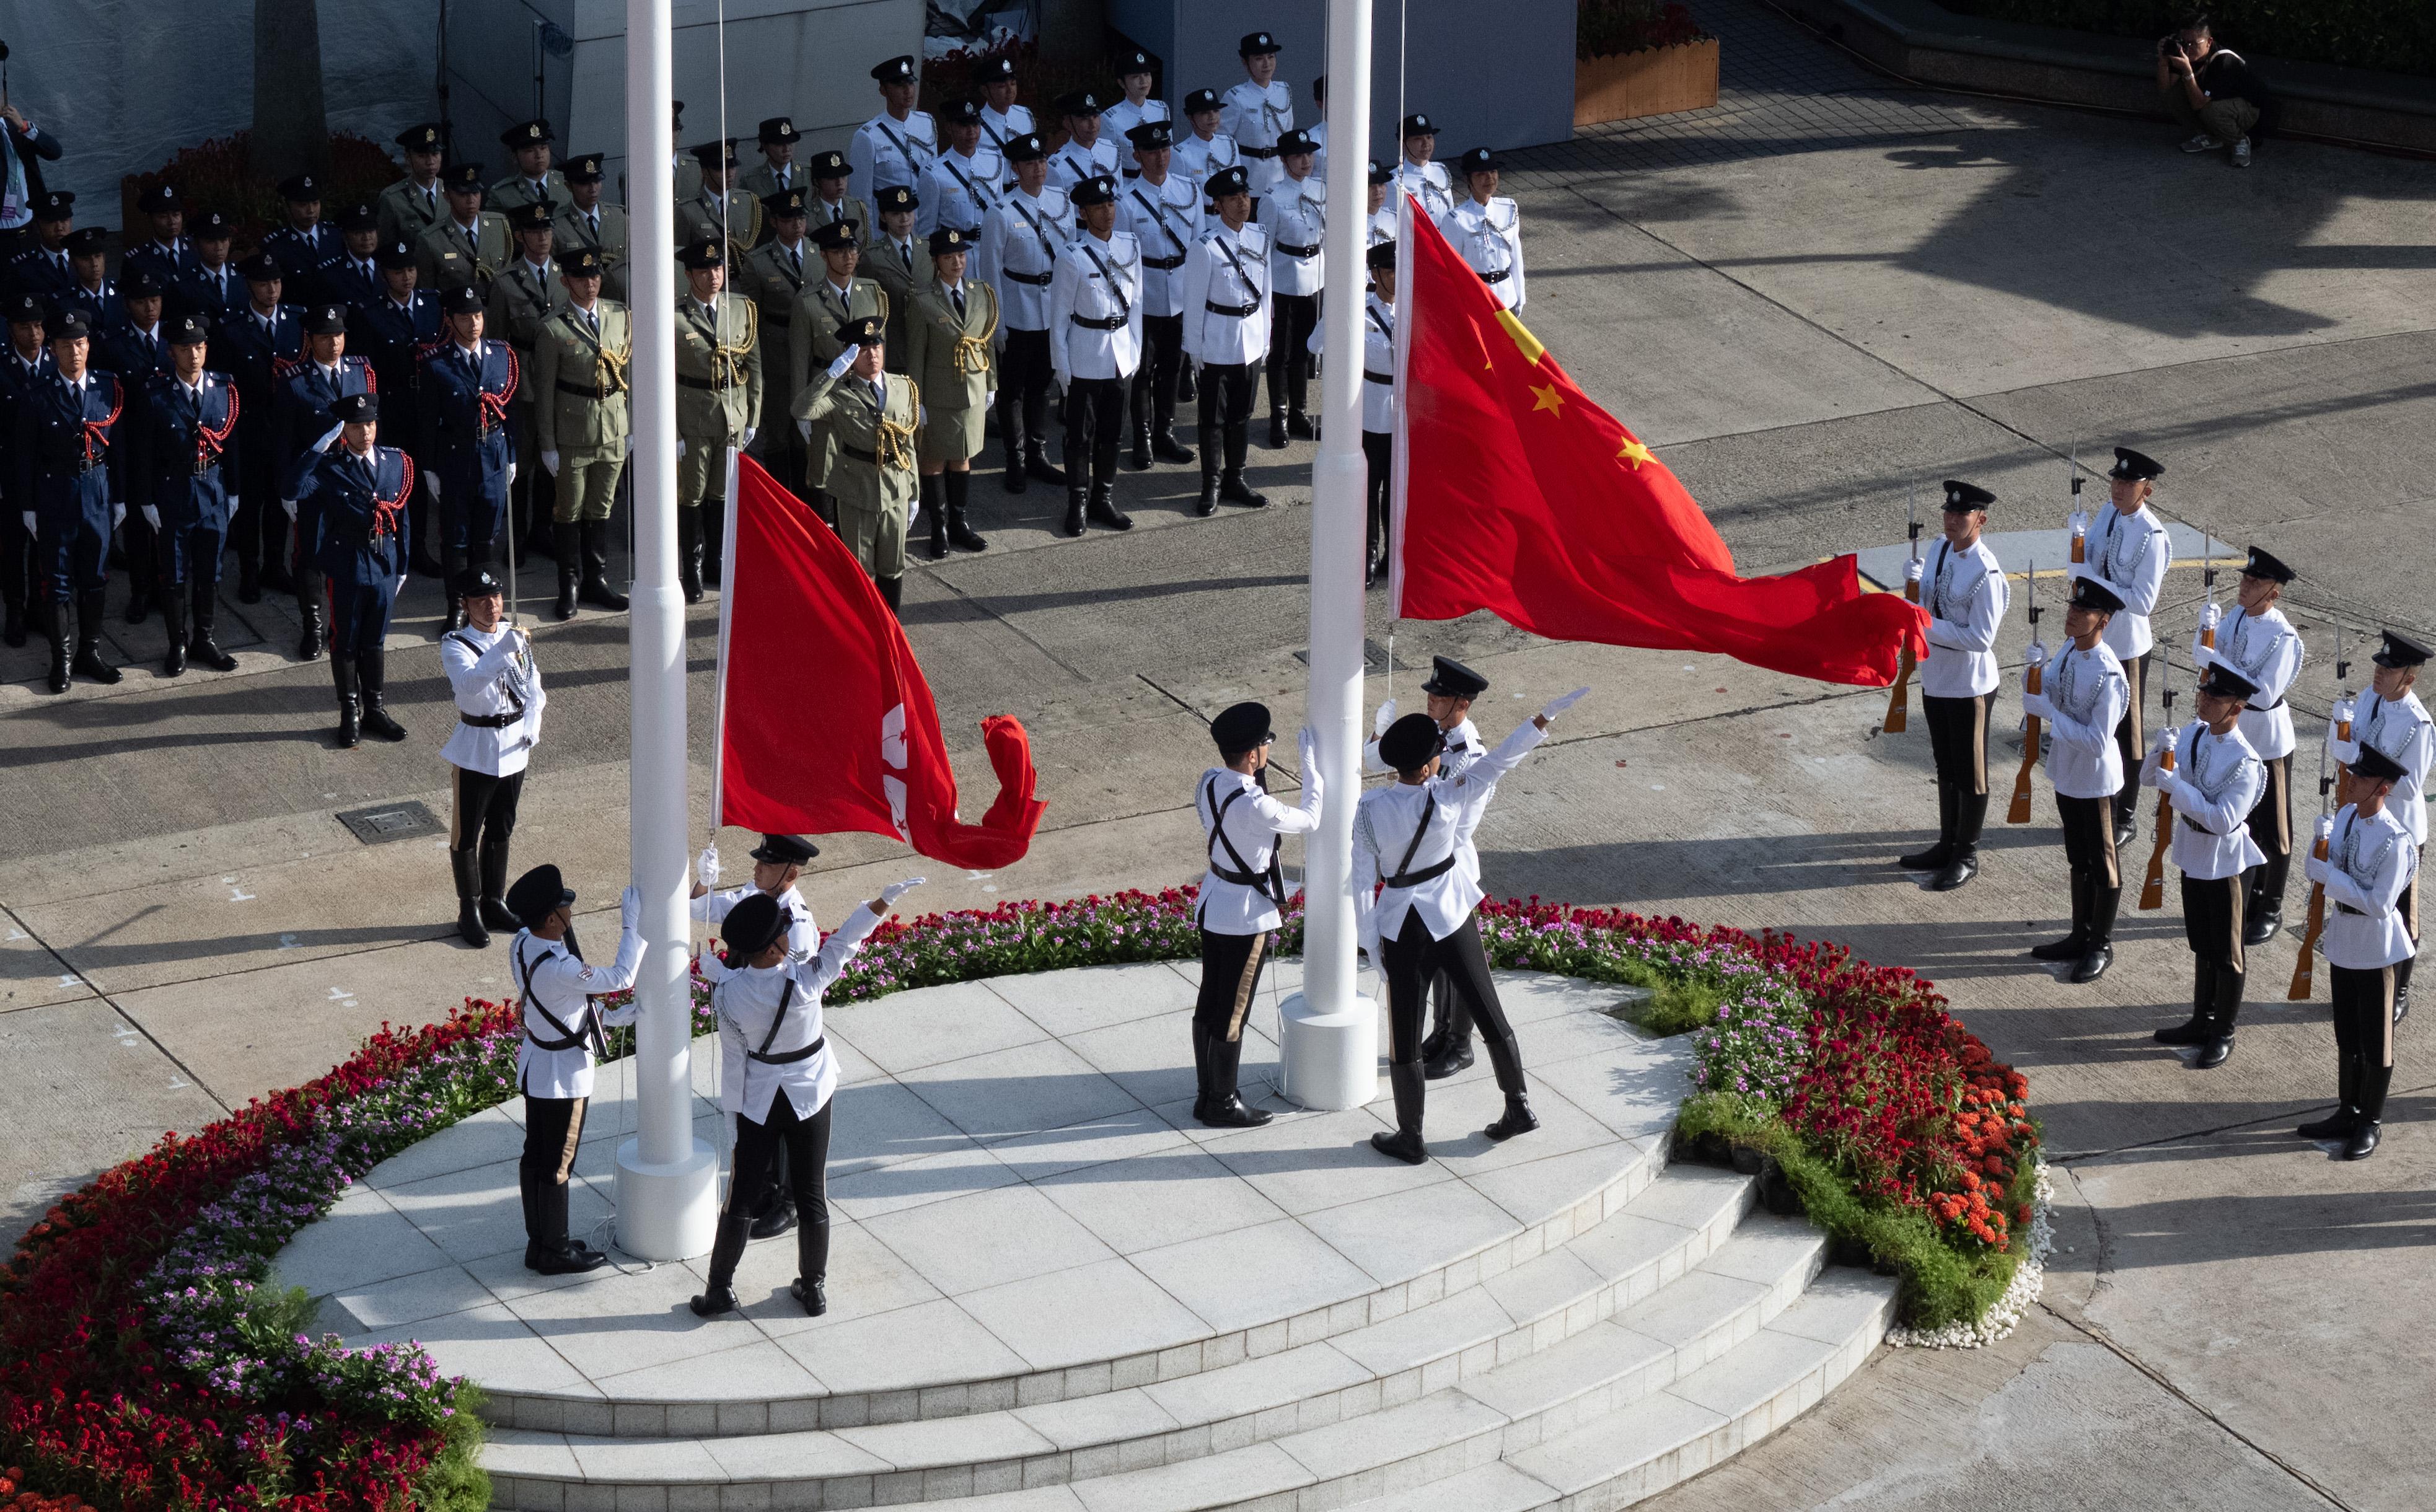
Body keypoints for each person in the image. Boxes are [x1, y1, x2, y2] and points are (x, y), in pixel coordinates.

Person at [1355, 690, 1586, 1163]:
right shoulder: (1448, 795)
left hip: (1403, 926)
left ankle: (1410, 1136)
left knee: (1404, 1033)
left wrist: (1370, 945)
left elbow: (1359, 884)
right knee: (1488, 1011)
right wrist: (1543, 718)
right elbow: (1501, 761)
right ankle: (1518, 1106)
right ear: (1428, 766)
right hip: (1451, 913)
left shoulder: (1370, 810)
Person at [691, 879, 926, 1318]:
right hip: (810, 1093)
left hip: (760, 1099)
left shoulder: (729, 993)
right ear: (776, 948)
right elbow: (846, 941)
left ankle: (719, 1289)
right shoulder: (806, 980)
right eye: (783, 932)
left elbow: (734, 1057)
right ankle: (813, 1288)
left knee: (740, 1197)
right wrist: (884, 899)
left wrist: (733, 1119)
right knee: (811, 1191)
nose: (788, 935)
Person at [506, 863, 646, 1275]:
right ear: (551, 920)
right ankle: (556, 1251)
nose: (571, 916)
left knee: (535, 1156)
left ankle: (540, 1243)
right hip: (563, 1075)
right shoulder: (561, 966)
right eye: (565, 910)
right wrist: (631, 925)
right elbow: (621, 976)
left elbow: (559, 1005)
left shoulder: (520, 944)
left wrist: (611, 1017)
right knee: (558, 1164)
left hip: (537, 1066)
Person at [1194, 705, 1321, 1128]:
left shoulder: (1209, 781)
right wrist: (1310, 766)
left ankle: (1206, 1092)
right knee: (1232, 1011)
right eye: (1264, 744)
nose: (1267, 749)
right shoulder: (1258, 806)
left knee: (1210, 1000)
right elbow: (1311, 818)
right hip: (1244, 915)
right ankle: (1223, 1101)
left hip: (1214, 901)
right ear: (1252, 755)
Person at [690, 833, 823, 1241]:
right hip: (750, 1035)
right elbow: (699, 908)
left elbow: (784, 992)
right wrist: (703, 879)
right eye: (759, 862)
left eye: (766, 865)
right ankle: (764, 1191)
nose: (756, 869)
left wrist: (725, 977)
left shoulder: (795, 925)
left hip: (779, 1042)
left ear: (791, 873)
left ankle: (784, 1204)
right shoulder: (756, 896)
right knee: (758, 1114)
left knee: (783, 1118)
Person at [1365, 655, 1490, 1076]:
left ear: (1463, 704)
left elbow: (1460, 825)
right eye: (1431, 694)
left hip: (1447, 869)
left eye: (1440, 697)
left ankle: (1459, 1044)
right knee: (1436, 966)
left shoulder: (1469, 755)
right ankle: (1440, 1035)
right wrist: (1380, 730)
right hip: (1425, 867)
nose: (1431, 700)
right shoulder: (1432, 736)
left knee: (1457, 969)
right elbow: (1379, 759)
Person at [2140, 664, 2266, 1069]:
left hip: (2225, 861)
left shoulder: (2246, 762)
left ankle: (2223, 1030)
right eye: (2203, 694)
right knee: (2201, 943)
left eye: (2214, 698)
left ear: (2237, 707)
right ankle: (2200, 1019)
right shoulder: (2193, 734)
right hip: (2192, 850)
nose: (2204, 701)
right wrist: (2159, 750)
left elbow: (2223, 819)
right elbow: (2149, 778)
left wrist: (2177, 786)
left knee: (2227, 953)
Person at [2300, 743, 2414, 1160]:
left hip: (2375, 947)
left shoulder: (2396, 840)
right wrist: (2320, 849)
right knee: (2346, 1035)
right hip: (2344, 939)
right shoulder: (2346, 816)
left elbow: (2382, 904)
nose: (2350, 780)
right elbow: (2332, 869)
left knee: (2375, 1039)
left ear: (2382, 789)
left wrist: (2330, 876)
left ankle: (2370, 1123)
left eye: (2362, 778)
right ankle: (2347, 1110)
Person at [1898, 479, 2010, 892]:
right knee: (1944, 764)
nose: (1950, 520)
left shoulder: (1988, 572)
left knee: (1971, 772)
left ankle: (1967, 853)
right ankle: (1946, 843)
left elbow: (1980, 639)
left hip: (1969, 686)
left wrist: (1922, 622)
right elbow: (1929, 599)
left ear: (1980, 520)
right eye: (1947, 512)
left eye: (1960, 515)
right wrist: (1914, 586)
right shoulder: (1939, 549)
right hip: (1936, 677)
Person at [2193, 547, 2304, 944]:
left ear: (2274, 593)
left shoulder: (2284, 636)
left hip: (2267, 737)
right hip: (2236, 734)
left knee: (2274, 829)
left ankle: (2271, 905)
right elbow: (2214, 663)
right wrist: (2204, 640)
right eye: (2245, 579)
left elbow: (2263, 693)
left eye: (2255, 582)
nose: (2245, 586)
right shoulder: (2236, 616)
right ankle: (2247, 896)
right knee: (2244, 822)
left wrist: (2216, 661)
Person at [289, 392, 412, 746]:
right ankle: (349, 713)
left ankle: (375, 709)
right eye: (357, 427)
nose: (366, 433)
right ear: (344, 431)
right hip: (348, 565)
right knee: (345, 642)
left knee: (375, 641)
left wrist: (402, 565)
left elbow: (402, 516)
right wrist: (318, 449)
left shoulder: (396, 462)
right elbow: (292, 487)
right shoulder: (331, 468)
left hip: (385, 565)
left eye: (371, 425)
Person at [2024, 579, 2132, 982]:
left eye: (2082, 612)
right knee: (2077, 858)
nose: (2071, 614)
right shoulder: (2070, 650)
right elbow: (2051, 691)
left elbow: (2097, 739)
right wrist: (2034, 672)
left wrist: (2050, 714)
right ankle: (2078, 934)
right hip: (2067, 773)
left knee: (2103, 863)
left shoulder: (2109, 676)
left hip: (2096, 780)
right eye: (2072, 607)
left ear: (2102, 621)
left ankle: (2099, 943)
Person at [17, 310, 126, 693]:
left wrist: (121, 499)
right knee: (58, 583)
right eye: (65, 345)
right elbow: (25, 456)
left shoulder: (107, 388)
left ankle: (89, 654)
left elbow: (120, 450)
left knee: (94, 578)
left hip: (97, 491)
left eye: (79, 344)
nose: (74, 352)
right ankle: (61, 660)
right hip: (55, 495)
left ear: (88, 346)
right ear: (53, 350)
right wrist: (29, 507)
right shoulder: (38, 396)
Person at [2070, 446, 2173, 846]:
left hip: (2128, 644)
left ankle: (2125, 813)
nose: (2117, 488)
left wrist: (2095, 585)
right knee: (2093, 720)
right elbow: (2087, 565)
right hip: (2096, 637)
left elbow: (2143, 600)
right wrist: (2077, 543)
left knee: (2127, 732)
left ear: (2146, 491)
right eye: (2115, 480)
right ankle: (2095, 797)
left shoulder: (2152, 535)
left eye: (2127, 483)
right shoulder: (2105, 515)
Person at [2329, 630, 2432, 1020]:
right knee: (2357, 895)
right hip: (2363, 817)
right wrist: (2339, 729)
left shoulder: (2419, 724)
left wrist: (2355, 753)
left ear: (2409, 677)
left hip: (2401, 831)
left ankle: (2399, 989)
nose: (2378, 673)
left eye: (2388, 670)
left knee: (2402, 913)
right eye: (2378, 664)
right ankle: (2360, 971)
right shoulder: (2371, 699)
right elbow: (2351, 743)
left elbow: (2409, 787)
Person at [441, 565, 547, 943]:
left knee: (502, 827)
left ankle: (493, 901)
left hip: (515, 744)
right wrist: (503, 651)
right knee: (466, 833)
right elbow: (468, 686)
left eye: (497, 597)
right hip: (478, 749)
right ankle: (468, 908)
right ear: (466, 605)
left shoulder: (514, 637)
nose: (492, 606)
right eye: (482, 600)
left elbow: (534, 688)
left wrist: (531, 728)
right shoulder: (455, 643)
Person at [134, 314, 240, 677]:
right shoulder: (157, 396)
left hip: (212, 492)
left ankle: (204, 640)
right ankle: (177, 643)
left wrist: (235, 491)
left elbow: (233, 446)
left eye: (199, 347)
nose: (193, 355)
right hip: (173, 493)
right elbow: (144, 451)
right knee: (175, 574)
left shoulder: (224, 390)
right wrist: (146, 499)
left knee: (210, 572)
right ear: (171, 353)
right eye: (185, 348)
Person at [532, 248, 631, 618]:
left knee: (601, 508)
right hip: (573, 431)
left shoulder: (619, 315)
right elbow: (544, 391)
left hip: (614, 429)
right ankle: (569, 584)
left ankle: (597, 579)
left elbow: (629, 374)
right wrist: (548, 444)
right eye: (580, 278)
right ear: (565, 282)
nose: (590, 284)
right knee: (569, 511)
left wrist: (630, 424)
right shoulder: (553, 327)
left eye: (595, 277)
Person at [794, 314, 918, 612]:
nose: (872, 354)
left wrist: (914, 490)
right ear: (850, 355)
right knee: (860, 571)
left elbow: (908, 443)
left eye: (876, 346)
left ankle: (891, 632)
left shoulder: (903, 387)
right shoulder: (839, 394)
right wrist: (833, 373)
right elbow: (801, 409)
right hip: (856, 491)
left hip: (896, 490)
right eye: (862, 349)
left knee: (893, 567)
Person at [276, 302, 376, 662]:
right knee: (311, 554)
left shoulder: (360, 373)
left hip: (352, 476)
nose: (333, 344)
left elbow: (371, 426)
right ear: (311, 340)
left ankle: (344, 621)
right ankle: (313, 627)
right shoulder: (295, 382)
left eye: (338, 336)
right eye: (325, 338)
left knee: (354, 547)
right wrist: (288, 488)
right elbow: (284, 441)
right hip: (317, 480)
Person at [974, 133, 1071, 496]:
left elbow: (1071, 257)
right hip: (1017, 308)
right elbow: (990, 270)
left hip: (1052, 308)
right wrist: (995, 320)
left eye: (1042, 161)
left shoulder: (1060, 201)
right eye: (1030, 163)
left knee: (1040, 388)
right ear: (1015, 169)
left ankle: (1038, 454)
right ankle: (1014, 458)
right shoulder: (1001, 212)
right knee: (1012, 390)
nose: (1039, 168)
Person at [1047, 174, 1141, 538]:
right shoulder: (1072, 257)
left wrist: (1134, 354)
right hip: (1085, 352)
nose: (1107, 212)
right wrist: (1063, 367)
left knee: (1113, 434)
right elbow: (1058, 319)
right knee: (1079, 436)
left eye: (1111, 204)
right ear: (1083, 213)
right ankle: (1078, 501)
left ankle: (1103, 498)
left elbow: (1138, 306)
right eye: (1099, 207)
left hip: (1121, 355)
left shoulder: (1130, 246)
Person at [419, 285, 521, 613]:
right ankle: (458, 607)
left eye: (477, 316)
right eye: (465, 317)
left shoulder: (502, 355)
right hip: (456, 457)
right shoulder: (437, 363)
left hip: (493, 455)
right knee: (456, 538)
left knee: (486, 536)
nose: (474, 323)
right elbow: (427, 420)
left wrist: (513, 455)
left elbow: (510, 412)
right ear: (451, 321)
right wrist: (429, 467)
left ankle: (486, 603)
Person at [1179, 165, 1270, 517]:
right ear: (1217, 205)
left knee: (1242, 415)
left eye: (1245, 195)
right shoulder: (1205, 247)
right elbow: (1193, 301)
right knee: (1212, 419)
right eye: (1233, 198)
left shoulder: (1259, 237)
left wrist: (1265, 336)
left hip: (1250, 337)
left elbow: (1267, 292)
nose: (1242, 202)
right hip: (1217, 339)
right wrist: (1194, 349)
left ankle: (1236, 478)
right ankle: (1211, 484)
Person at [674, 238, 760, 600]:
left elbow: (753, 365)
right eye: (706, 270)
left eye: (719, 268)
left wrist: (753, 414)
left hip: (732, 414)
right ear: (690, 274)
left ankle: (716, 562)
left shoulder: (741, 309)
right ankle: (691, 568)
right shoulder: (676, 316)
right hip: (693, 416)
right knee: (692, 494)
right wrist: (673, 429)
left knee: (722, 492)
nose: (714, 276)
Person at [352, 239, 445, 576]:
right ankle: (396, 546)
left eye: (410, 270)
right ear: (384, 275)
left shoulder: (433, 305)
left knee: (425, 476)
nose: (406, 277)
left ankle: (419, 546)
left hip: (429, 404)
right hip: (394, 406)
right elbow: (366, 369)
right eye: (398, 271)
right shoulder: (371, 313)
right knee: (398, 481)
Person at [903, 225, 995, 558]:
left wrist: (992, 383)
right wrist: (918, 401)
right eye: (949, 257)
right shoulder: (923, 300)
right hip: (939, 391)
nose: (957, 262)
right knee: (934, 458)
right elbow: (916, 354)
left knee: (963, 455)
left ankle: (960, 522)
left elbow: (986, 343)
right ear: (935, 261)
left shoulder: (980, 292)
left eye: (961, 255)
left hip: (973, 387)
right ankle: (939, 527)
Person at [216, 253, 304, 604]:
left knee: (279, 501)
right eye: (264, 283)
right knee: (250, 504)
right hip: (249, 429)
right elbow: (225, 387)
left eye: (277, 282)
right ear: (249, 286)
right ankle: (250, 570)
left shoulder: (296, 322)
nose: (272, 290)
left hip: (285, 430)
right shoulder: (231, 328)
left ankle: (274, 565)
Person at [788, 219, 884, 525]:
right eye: (839, 251)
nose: (848, 256)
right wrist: (801, 411)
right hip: (828, 394)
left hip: (863, 395)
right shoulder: (808, 301)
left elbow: (881, 350)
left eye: (852, 248)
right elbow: (799, 360)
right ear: (823, 255)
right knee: (823, 469)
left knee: (862, 463)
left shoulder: (872, 293)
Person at [486, 204, 566, 563]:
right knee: (522, 464)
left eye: (547, 230)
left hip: (560, 380)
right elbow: (497, 341)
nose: (543, 237)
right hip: (523, 381)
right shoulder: (506, 282)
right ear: (520, 236)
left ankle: (542, 530)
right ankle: (516, 539)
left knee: (553, 460)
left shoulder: (565, 277)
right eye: (535, 231)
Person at [1119, 120, 1199, 472]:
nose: (1160, 157)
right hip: (1144, 293)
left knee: (1172, 367)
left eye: (1165, 149)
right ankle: (1143, 437)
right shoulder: (1125, 200)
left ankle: (1166, 432)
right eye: (1151, 152)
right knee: (1143, 370)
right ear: (1137, 156)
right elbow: (1121, 256)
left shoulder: (1189, 191)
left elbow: (1197, 247)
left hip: (1180, 291)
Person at [105, 271, 175, 628]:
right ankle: (140, 590)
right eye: (141, 302)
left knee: (168, 521)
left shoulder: (177, 339)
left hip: (171, 446)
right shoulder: (113, 344)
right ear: (127, 305)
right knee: (137, 524)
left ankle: (167, 587)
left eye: (155, 301)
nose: (150, 309)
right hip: (133, 446)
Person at [1257, 130, 1325, 449]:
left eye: (1309, 155)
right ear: (1284, 161)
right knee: (1281, 354)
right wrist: (1265, 293)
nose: (1306, 161)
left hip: (1314, 277)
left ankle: (1299, 412)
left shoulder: (1322, 189)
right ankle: (1278, 417)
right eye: (1298, 156)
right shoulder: (1273, 198)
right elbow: (1264, 248)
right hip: (1285, 279)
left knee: (1305, 349)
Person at [1336, 240, 1395, 584]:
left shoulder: (1411, 308)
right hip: (1371, 410)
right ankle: (1369, 552)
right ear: (1375, 274)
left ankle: (1393, 553)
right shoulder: (1360, 311)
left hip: (1402, 414)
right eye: (1389, 271)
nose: (1396, 277)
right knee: (1369, 486)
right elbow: (1316, 344)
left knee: (1396, 488)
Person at [0, 292, 54, 648]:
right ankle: (15, 612)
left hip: (47, 475)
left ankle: (39, 608)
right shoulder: (2, 368)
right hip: (9, 477)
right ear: (11, 330)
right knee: (11, 547)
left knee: (44, 547)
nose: (34, 334)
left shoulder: (56, 365)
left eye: (38, 326)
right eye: (25, 327)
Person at [2158, 14, 2271, 170]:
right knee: (2174, 95)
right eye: (2184, 42)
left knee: (2211, 110)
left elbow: (2199, 104)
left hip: (2248, 110)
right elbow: (2166, 89)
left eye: (2193, 44)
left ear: (2209, 42)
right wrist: (2164, 61)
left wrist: (2187, 71)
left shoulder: (2223, 61)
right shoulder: (2184, 52)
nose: (2188, 49)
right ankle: (2209, 136)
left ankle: (2240, 141)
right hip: (2217, 105)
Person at [1438, 147, 1525, 312]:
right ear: (1468, 179)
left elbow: (1516, 256)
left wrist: (1520, 298)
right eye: (1481, 174)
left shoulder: (1509, 208)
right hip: (1476, 301)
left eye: (1493, 171)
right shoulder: (1457, 219)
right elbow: (1450, 270)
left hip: (1507, 298)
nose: (1489, 178)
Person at [861, 183, 931, 374]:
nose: (904, 219)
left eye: (909, 212)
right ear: (883, 216)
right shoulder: (872, 257)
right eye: (896, 213)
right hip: (893, 346)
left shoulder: (927, 250)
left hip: (928, 346)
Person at [850, 55, 938, 203]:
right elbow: (861, 196)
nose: (907, 90)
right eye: (899, 85)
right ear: (883, 90)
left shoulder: (927, 122)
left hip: (923, 216)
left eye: (910, 83)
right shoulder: (868, 135)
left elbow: (935, 176)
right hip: (889, 220)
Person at [417, 162, 511, 301]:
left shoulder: (499, 225)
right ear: (447, 196)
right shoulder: (431, 239)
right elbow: (427, 293)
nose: (471, 200)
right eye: (463, 194)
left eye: (475, 193)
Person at [1223, 31, 1294, 200]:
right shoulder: (1236, 97)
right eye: (1259, 59)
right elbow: (1223, 142)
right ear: (1245, 63)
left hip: (1279, 177)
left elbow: (1288, 133)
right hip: (1249, 178)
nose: (1267, 64)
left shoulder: (1284, 91)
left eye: (1271, 57)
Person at [923, 99, 1003, 242]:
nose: (971, 131)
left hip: (990, 248)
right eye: (963, 125)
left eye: (975, 124)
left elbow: (1002, 210)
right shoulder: (935, 173)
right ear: (949, 128)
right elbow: (927, 229)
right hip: (954, 253)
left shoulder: (995, 161)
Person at [553, 154, 629, 303]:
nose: (593, 189)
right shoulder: (557, 226)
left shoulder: (619, 218)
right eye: (584, 183)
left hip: (618, 306)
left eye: (597, 181)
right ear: (569, 186)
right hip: (579, 303)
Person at [675, 140, 762, 268]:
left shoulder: (748, 202)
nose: (730, 174)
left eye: (732, 167)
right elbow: (680, 260)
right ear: (705, 171)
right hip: (710, 283)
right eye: (721, 169)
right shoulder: (688, 210)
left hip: (744, 284)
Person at [261, 175, 341, 308]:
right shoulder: (277, 246)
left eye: (315, 203)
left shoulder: (336, 235)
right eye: (303, 205)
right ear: (288, 207)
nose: (311, 211)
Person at [0, 105, 66, 257]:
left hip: (29, 228)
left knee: (31, 276)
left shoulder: (15, 128)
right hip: (3, 234)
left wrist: (24, 127)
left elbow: (55, 152)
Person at [379, 123, 450, 252]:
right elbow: (386, 247)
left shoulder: (452, 191)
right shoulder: (393, 199)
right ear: (408, 159)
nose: (430, 162)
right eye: (422, 156)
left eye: (435, 154)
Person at [122, 183, 201, 292]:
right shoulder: (138, 260)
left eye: (176, 214)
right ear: (151, 219)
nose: (172, 222)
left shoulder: (196, 248)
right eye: (163, 216)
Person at [1172, 90, 1242, 211]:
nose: (1212, 117)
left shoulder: (1229, 144)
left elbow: (1238, 185)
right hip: (1202, 219)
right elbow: (1180, 198)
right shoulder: (1181, 153)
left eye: (1216, 111)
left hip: (1229, 217)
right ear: (1191, 118)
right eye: (1205, 113)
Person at [1105, 51, 1169, 180]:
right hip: (1129, 183)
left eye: (1147, 75)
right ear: (1122, 83)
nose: (1143, 81)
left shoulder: (1161, 109)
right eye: (1136, 77)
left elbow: (1168, 149)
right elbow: (1108, 163)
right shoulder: (1110, 118)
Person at [177, 211, 247, 327]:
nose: (219, 248)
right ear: (196, 244)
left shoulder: (243, 277)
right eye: (211, 241)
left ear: (230, 241)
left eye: (223, 240)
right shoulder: (184, 285)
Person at [489, 119, 566, 220]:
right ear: (515, 157)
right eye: (530, 151)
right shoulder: (502, 194)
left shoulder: (567, 182)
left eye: (543, 148)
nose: (539, 156)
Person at [7, 190, 75, 301]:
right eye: (51, 222)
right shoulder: (24, 268)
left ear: (71, 221)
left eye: (64, 220)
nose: (59, 228)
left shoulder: (84, 258)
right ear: (37, 226)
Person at [321, 203, 387, 317]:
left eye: (371, 231)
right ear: (345, 237)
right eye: (359, 233)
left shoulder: (388, 266)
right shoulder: (332, 274)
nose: (366, 238)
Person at [1049, 91, 1121, 193]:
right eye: (1084, 119)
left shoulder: (1113, 149)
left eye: (1095, 117)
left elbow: (1120, 194)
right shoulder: (1058, 166)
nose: (1092, 125)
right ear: (1068, 123)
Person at [1392, 113, 1454, 221]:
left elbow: (1451, 211)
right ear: (1403, 143)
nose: (1426, 144)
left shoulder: (1441, 170)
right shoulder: (1395, 180)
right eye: (1418, 139)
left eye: (1429, 137)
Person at [975, 55, 1034, 164]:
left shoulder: (1025, 115)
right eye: (1002, 86)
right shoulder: (975, 124)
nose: (1010, 90)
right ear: (985, 91)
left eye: (1013, 84)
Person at [805, 149, 869, 240]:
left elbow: (867, 247)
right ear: (817, 182)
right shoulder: (807, 215)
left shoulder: (857, 207)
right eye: (832, 178)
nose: (840, 182)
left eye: (843, 176)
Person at [740, 116, 804, 207]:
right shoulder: (751, 181)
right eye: (780, 144)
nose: (787, 149)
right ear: (765, 146)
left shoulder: (808, 174)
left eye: (790, 142)